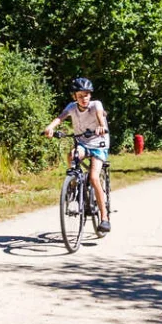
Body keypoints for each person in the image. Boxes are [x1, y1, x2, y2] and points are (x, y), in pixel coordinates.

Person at [43, 77, 111, 234]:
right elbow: (60, 118)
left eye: (86, 95)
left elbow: (100, 116)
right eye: (80, 96)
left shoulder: (96, 105)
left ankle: (104, 218)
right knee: (72, 154)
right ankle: (73, 185)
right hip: (82, 143)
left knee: (94, 177)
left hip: (99, 143)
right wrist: (50, 127)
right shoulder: (72, 107)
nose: (84, 98)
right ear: (75, 97)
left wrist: (101, 126)